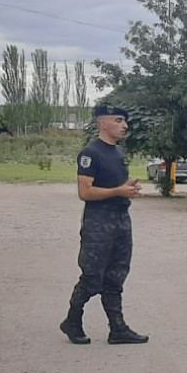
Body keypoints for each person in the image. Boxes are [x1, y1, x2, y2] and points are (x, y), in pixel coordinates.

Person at [60, 103, 148, 345]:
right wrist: (118, 190)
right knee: (92, 277)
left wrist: (126, 188)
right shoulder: (91, 153)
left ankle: (117, 328)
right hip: (99, 222)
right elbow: (85, 192)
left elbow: (113, 186)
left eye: (124, 121)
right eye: (119, 120)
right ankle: (72, 320)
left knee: (116, 276)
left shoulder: (119, 152)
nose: (125, 125)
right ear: (102, 123)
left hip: (121, 220)